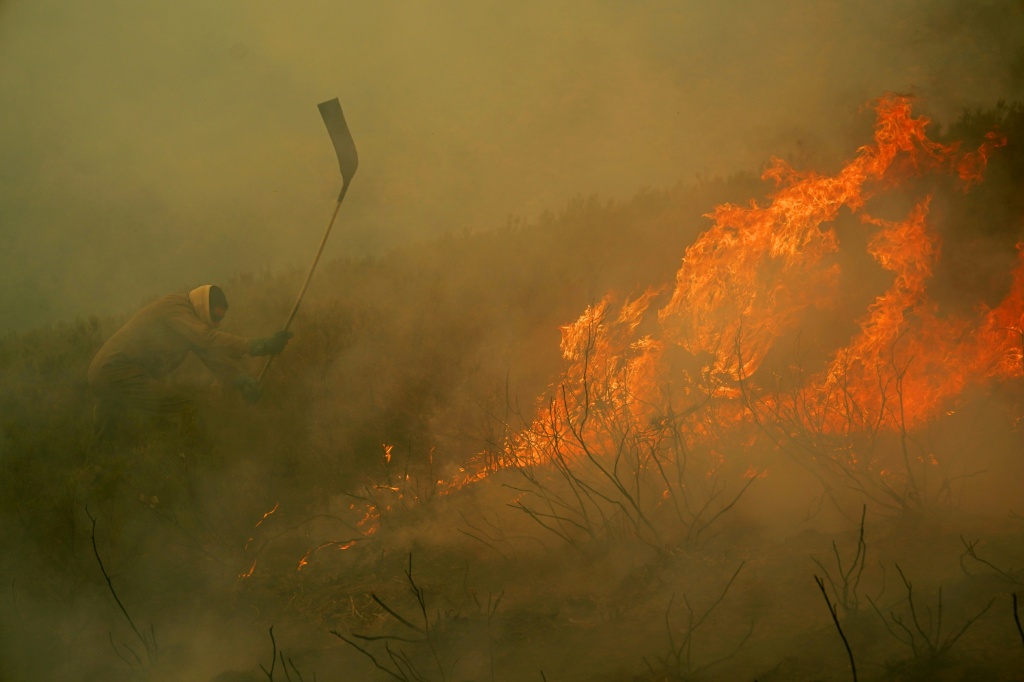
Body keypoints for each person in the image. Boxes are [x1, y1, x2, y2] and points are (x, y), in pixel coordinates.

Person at [88, 284, 291, 441]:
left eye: (220, 319)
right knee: (186, 409)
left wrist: (241, 380)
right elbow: (208, 339)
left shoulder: (187, 320)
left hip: (106, 371)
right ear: (204, 307)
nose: (217, 323)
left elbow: (212, 356)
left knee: (109, 440)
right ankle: (193, 460)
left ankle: (99, 473)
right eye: (215, 317)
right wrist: (257, 346)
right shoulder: (176, 307)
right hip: (117, 370)